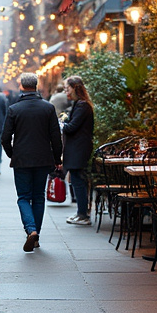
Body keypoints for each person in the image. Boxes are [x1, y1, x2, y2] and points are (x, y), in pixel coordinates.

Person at [1, 71, 63, 251]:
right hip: (43, 159)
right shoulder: (48, 108)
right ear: (36, 86)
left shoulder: (14, 109)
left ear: (21, 86)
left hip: (22, 159)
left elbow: (5, 138)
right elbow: (55, 136)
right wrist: (57, 158)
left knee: (23, 197)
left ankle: (31, 230)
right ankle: (36, 236)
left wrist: (12, 154)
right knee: (38, 197)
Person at [61, 76, 95, 226]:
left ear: (75, 88)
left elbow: (72, 127)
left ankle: (83, 215)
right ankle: (81, 212)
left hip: (79, 148)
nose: (65, 91)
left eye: (67, 88)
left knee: (78, 180)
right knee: (76, 179)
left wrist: (61, 124)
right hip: (77, 147)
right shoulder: (79, 104)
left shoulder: (82, 106)